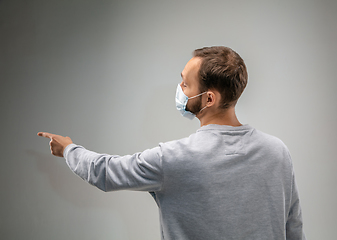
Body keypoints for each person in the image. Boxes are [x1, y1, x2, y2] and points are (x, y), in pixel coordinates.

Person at [38, 46, 306, 240]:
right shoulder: (278, 152)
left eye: (185, 84)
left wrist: (69, 149)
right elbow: (293, 226)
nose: (180, 88)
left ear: (209, 99)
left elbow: (104, 171)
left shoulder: (174, 158)